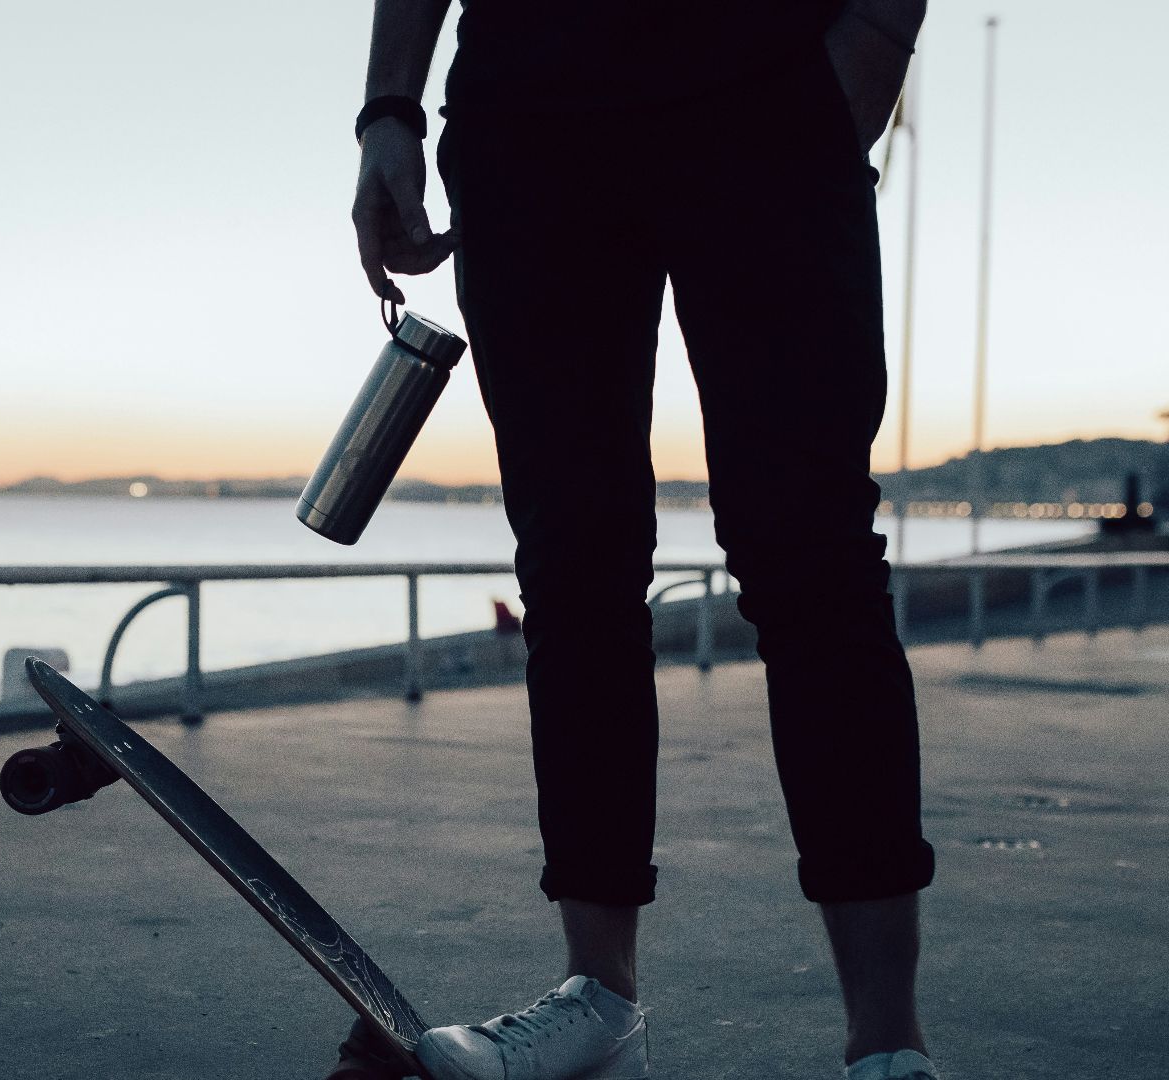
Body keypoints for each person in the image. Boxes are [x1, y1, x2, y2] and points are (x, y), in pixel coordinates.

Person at [349, 2, 936, 1079]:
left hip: (764, 76)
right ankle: (597, 998)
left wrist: (880, 39)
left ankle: (889, 1046)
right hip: (531, 107)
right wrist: (389, 110)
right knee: (573, 559)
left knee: (812, 552)